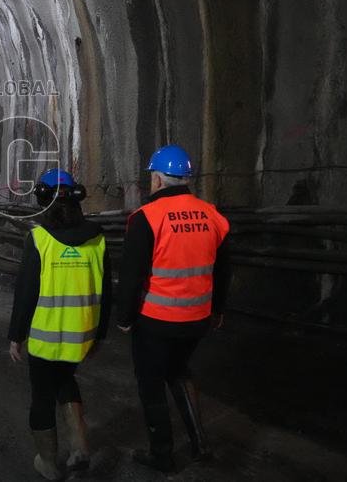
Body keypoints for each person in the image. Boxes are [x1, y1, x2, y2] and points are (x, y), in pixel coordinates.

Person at [115, 144, 231, 472]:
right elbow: (224, 269)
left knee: (151, 383)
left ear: (157, 180)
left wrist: (124, 318)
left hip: (156, 321)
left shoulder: (146, 218)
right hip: (197, 320)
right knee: (179, 371)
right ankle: (200, 443)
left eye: (152, 177)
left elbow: (132, 274)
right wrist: (217, 309)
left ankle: (162, 455)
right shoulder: (213, 215)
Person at [8, 168, 111, 481]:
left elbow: (26, 291)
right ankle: (80, 448)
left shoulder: (39, 239)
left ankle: (48, 463)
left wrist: (16, 335)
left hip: (45, 337)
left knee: (42, 395)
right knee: (67, 382)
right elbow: (107, 291)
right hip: (81, 335)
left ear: (42, 199)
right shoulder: (97, 236)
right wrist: (99, 335)